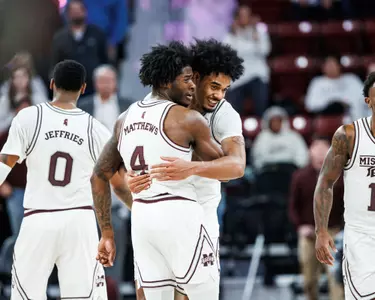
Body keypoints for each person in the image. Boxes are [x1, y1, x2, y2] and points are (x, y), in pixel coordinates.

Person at [91, 41, 225, 300]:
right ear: (166, 81)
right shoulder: (187, 119)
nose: (192, 86)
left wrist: (107, 232)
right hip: (180, 215)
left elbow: (99, 175)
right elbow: (229, 171)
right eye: (187, 79)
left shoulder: (124, 118)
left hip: (142, 217)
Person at [0, 60, 131, 299]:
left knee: (25, 295)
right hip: (79, 221)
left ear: (51, 85)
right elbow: (118, 183)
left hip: (37, 219)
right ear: (83, 88)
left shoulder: (28, 118)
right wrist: (138, 212)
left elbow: (3, 165)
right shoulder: (95, 128)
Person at [126, 39, 246, 300]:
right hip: (155, 211)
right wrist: (129, 177)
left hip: (199, 213)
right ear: (195, 78)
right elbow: (114, 161)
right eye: (215, 86)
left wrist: (191, 168)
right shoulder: (159, 103)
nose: (219, 95)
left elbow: (237, 166)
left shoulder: (225, 114)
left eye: (225, 89)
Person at [314, 72, 375, 299]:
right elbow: (325, 183)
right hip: (361, 235)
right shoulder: (349, 135)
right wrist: (321, 230)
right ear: (368, 101)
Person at [289, 136, 344, 300]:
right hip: (309, 234)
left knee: (336, 279)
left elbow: (348, 205)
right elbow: (293, 206)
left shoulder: (340, 177)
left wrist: (342, 229)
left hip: (333, 234)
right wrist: (300, 226)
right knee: (308, 281)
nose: (320, 154)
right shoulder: (300, 177)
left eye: (324, 150)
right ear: (310, 152)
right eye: (317, 149)